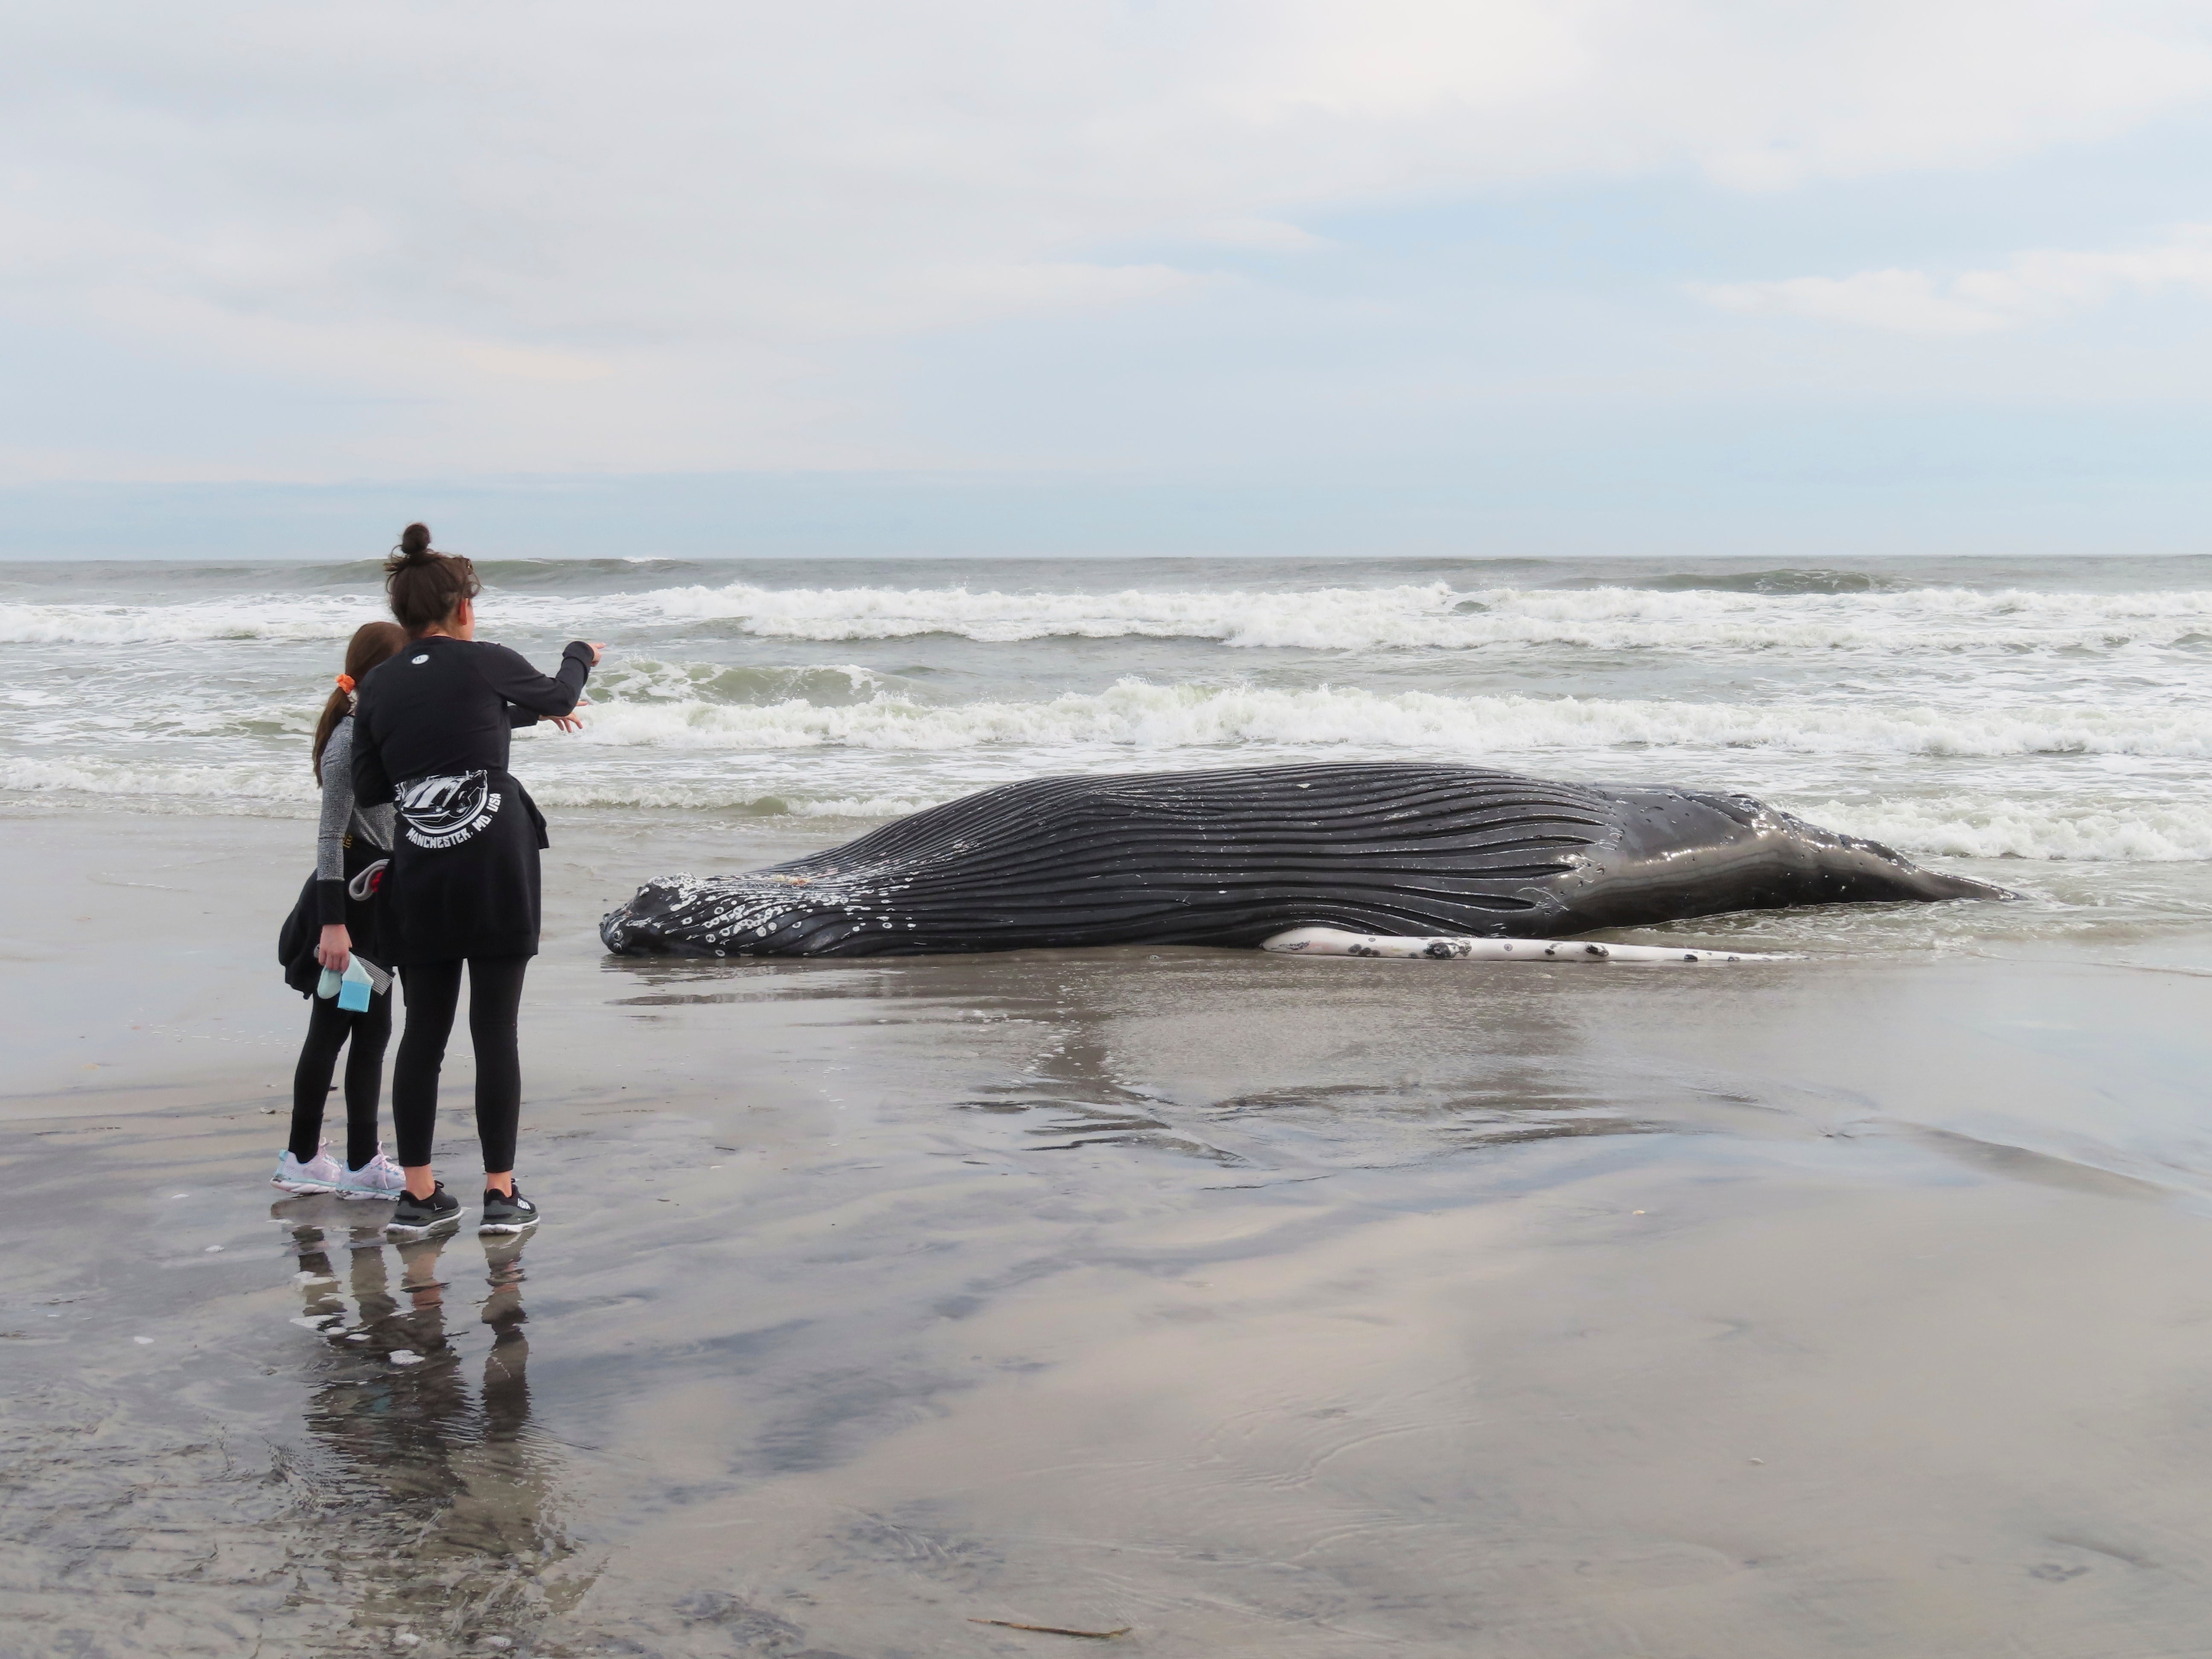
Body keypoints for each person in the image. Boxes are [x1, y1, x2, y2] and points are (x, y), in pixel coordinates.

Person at [351, 524, 602, 1237]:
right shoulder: (487, 661)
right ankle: (500, 1195)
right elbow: (558, 695)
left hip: (422, 869)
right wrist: (580, 655)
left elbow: (372, 788)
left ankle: (420, 1197)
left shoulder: (380, 685)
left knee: (423, 1034)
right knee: (495, 1030)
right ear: (464, 606)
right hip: (495, 864)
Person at [274, 622, 411, 1198]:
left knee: (371, 1034)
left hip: (374, 907)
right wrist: (333, 927)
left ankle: (359, 1163)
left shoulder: (376, 732)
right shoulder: (348, 742)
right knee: (331, 1033)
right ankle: (305, 1157)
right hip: (347, 915)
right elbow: (331, 838)